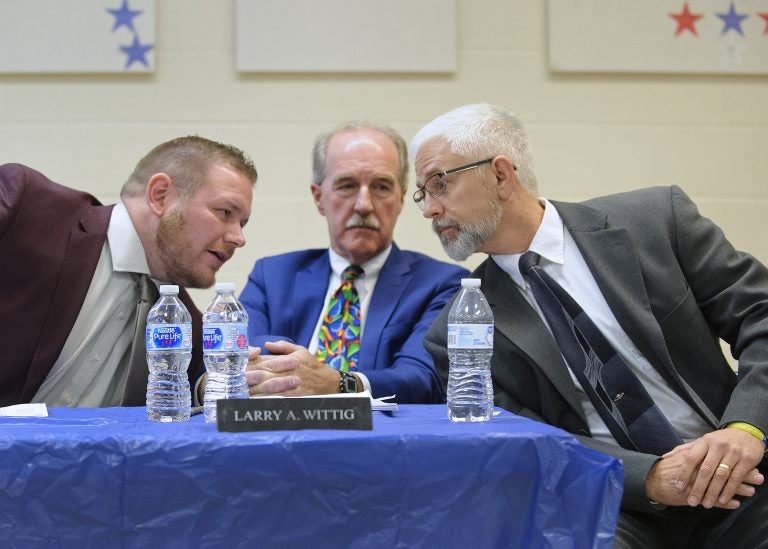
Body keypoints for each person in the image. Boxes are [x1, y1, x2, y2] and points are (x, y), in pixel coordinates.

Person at [410, 103, 768, 547]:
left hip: (742, 470)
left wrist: (745, 429)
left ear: (501, 175)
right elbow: (524, 439)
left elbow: (762, 318)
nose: (429, 209)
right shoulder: (454, 332)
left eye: (439, 183)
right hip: (621, 503)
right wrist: (649, 478)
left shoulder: (656, 222)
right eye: (421, 194)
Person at [0, 136, 257, 408]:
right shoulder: (27, 207)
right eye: (226, 212)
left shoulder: (184, 326)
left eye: (243, 223)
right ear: (160, 195)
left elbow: (200, 386)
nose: (239, 238)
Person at [238, 121, 468, 403]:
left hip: (385, 440)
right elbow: (242, 355)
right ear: (318, 197)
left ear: (400, 199)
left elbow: (421, 379)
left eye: (381, 187)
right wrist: (293, 373)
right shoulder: (273, 276)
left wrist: (337, 383)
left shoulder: (442, 284)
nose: (363, 205)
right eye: (346, 186)